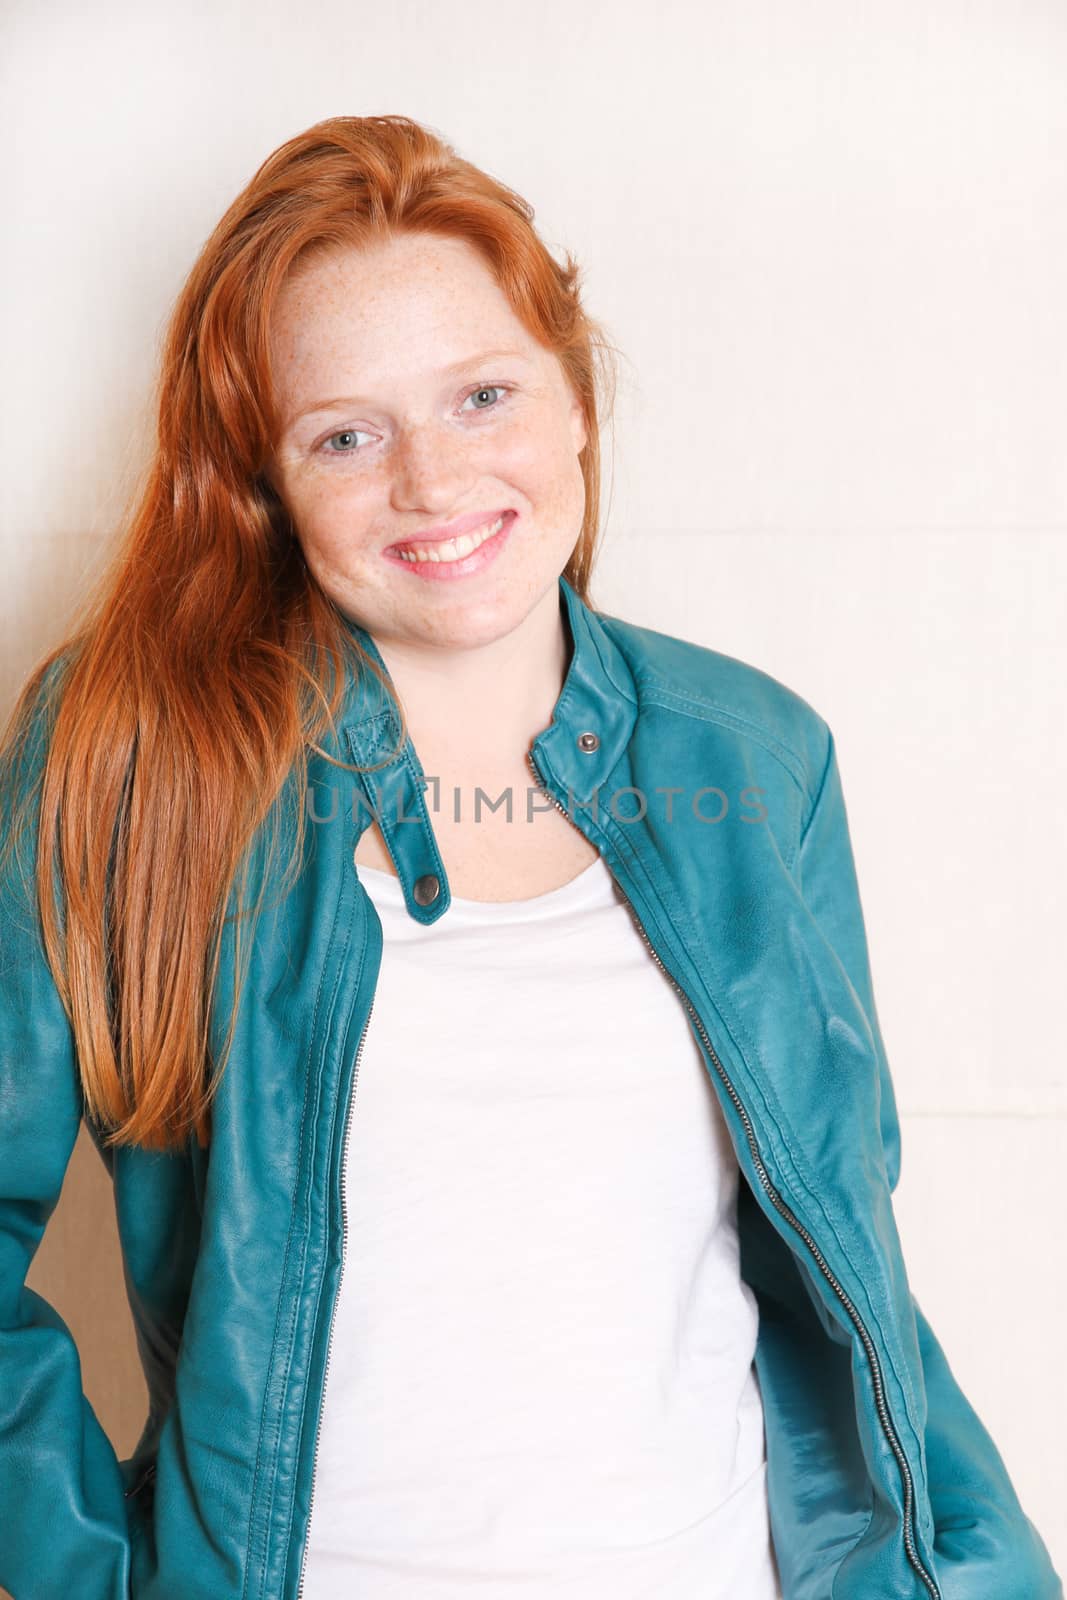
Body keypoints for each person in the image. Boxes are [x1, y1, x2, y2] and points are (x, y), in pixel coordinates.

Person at [0, 114, 1060, 1600]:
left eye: (483, 394)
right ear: (267, 481)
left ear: (574, 399)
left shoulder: (753, 760)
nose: (433, 483)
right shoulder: (132, 759)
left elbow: (848, 1271)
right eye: (346, 434)